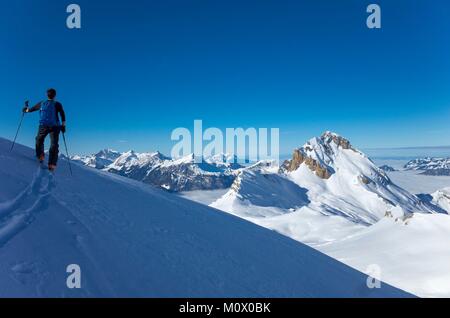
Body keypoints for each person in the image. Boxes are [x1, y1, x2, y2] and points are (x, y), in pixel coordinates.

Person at [23, 88, 66, 171]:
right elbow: (62, 114)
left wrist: (25, 109)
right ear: (55, 95)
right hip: (55, 127)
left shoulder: (42, 103)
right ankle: (52, 165)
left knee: (39, 140)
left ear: (47, 95)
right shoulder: (57, 104)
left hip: (43, 126)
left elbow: (31, 109)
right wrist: (63, 126)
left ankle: (40, 156)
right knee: (54, 144)